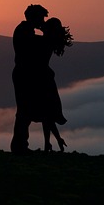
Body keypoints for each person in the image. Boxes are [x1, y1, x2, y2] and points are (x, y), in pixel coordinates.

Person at [10, 4, 48, 154]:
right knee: (24, 110)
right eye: (41, 18)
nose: (42, 22)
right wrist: (47, 35)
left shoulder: (24, 30)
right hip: (23, 74)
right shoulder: (24, 31)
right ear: (34, 17)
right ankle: (19, 146)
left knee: (24, 110)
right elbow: (36, 48)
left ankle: (20, 145)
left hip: (23, 73)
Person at [37, 17, 73, 152]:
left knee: (45, 112)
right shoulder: (50, 41)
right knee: (48, 113)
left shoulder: (44, 41)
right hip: (46, 78)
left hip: (41, 79)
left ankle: (49, 142)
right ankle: (52, 141)